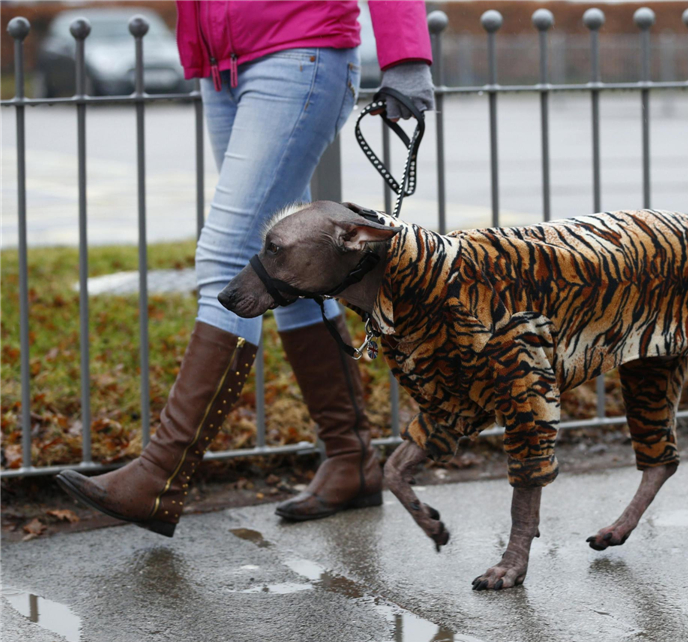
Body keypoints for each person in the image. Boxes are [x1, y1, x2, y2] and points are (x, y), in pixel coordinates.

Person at [56, 1, 435, 536]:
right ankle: (350, 459)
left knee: (228, 257)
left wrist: (406, 57)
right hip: (222, 63)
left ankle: (161, 474)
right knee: (290, 269)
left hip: (299, 48)